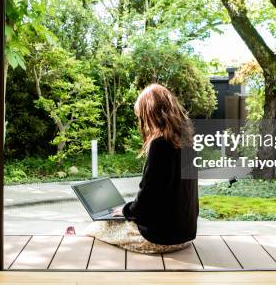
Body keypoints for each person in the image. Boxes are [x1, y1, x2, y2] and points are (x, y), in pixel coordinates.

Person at [85, 84, 198, 254]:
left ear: (152, 114)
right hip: (186, 234)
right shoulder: (188, 141)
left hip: (162, 239)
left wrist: (125, 210)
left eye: (142, 117)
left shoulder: (160, 145)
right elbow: (163, 194)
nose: (143, 123)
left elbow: (149, 199)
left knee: (97, 227)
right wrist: (132, 208)